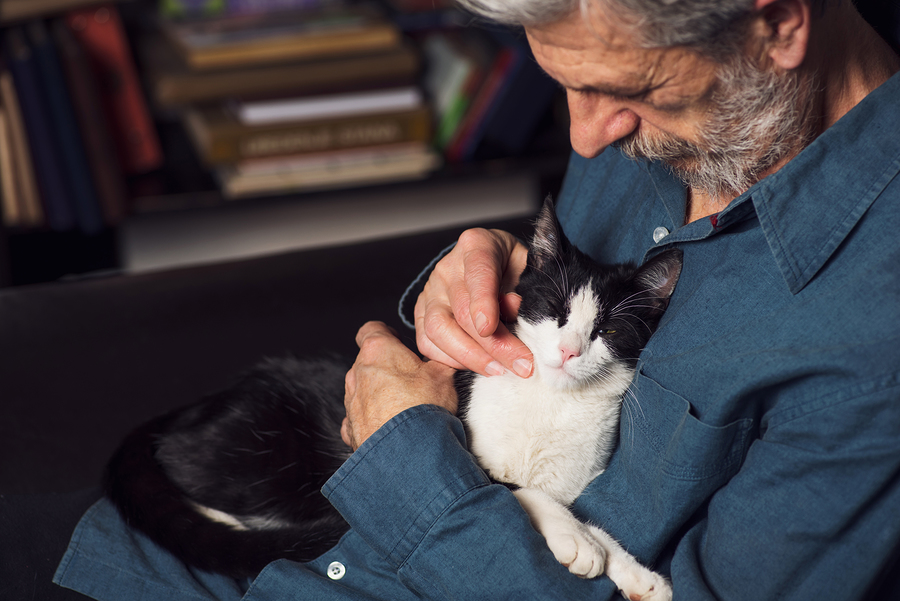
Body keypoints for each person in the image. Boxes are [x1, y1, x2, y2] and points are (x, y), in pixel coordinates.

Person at [53, 0, 900, 599]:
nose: (582, 139)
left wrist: (407, 464)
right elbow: (554, 292)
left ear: (780, 20)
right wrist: (474, 281)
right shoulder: (643, 94)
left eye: (632, 93)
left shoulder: (874, 339)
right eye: (563, 84)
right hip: (205, 540)